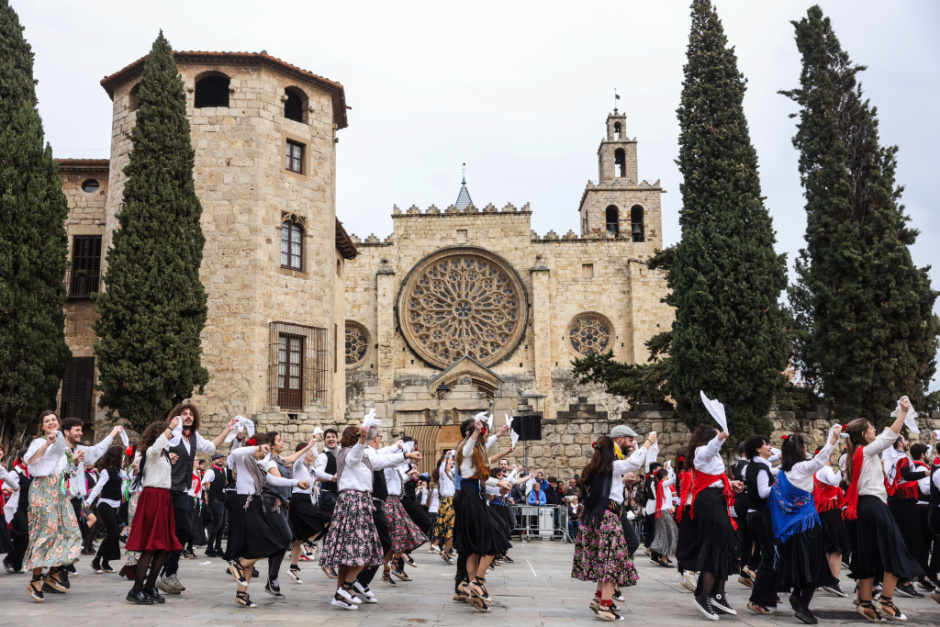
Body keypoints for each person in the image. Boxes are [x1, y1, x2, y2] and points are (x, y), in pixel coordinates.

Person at [24, 412, 123, 602]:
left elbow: (63, 472)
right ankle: (35, 580)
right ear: (42, 426)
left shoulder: (62, 447)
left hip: (60, 493)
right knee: (45, 535)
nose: (51, 422)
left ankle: (53, 572)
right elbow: (30, 461)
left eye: (54, 420)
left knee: (72, 534)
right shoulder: (38, 442)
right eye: (47, 421)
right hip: (42, 490)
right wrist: (48, 442)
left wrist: (73, 462)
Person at [318, 425, 419, 610]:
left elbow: (383, 460)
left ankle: (340, 594)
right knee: (366, 549)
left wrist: (405, 456)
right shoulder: (348, 453)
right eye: (360, 437)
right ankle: (347, 588)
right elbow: (355, 456)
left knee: (348, 554)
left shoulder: (365, 456)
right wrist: (362, 441)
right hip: (354, 503)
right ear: (355, 439)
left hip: (358, 503)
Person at [843, 397, 924, 621]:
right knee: (895, 551)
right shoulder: (866, 452)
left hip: (861, 508)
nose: (874, 429)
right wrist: (904, 412)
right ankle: (886, 601)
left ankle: (866, 602)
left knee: (867, 554)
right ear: (862, 435)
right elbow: (889, 437)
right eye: (871, 428)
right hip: (874, 505)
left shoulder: (849, 456)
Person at [572, 432, 653, 621]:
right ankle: (605, 607)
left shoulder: (592, 470)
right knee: (611, 563)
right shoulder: (612, 466)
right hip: (608, 518)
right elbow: (633, 463)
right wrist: (648, 442)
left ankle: (598, 599)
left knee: (604, 561)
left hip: (594, 520)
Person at [158, 403, 235, 597]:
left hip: (183, 491)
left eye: (191, 414)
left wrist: (227, 429)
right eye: (184, 414)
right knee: (180, 529)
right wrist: (167, 455)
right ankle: (166, 573)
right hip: (168, 489)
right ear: (176, 417)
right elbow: (154, 451)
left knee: (180, 530)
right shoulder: (170, 435)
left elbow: (210, 446)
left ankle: (167, 572)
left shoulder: (193, 438)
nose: (188, 416)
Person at [226, 433, 308, 608]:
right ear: (257, 446)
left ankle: (241, 594)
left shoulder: (259, 465)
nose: (265, 454)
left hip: (255, 504)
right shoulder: (243, 459)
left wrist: (296, 482)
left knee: (252, 550)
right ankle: (238, 565)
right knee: (263, 544)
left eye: (267, 451)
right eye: (264, 449)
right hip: (244, 504)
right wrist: (256, 448)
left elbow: (272, 479)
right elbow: (234, 453)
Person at [769, 428, 841, 624]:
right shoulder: (802, 468)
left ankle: (797, 595)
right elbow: (821, 458)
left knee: (801, 563)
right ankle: (803, 607)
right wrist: (832, 439)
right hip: (808, 526)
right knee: (814, 563)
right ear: (800, 450)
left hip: (791, 529)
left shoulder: (781, 473)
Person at [677, 424, 744, 620]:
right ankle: (704, 595)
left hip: (716, 497)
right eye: (715, 437)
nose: (720, 442)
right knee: (715, 543)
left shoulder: (711, 456)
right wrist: (719, 438)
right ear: (708, 438)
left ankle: (718, 594)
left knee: (724, 543)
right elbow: (709, 449)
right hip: (708, 501)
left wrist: (731, 483)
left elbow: (712, 477)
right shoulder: (702, 451)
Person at [453, 417, 513, 612]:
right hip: (470, 499)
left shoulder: (476, 453)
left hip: (472, 497)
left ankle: (472, 589)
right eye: (481, 433)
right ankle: (477, 581)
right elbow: (469, 450)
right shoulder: (466, 449)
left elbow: (482, 476)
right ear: (472, 434)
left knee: (472, 548)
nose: (484, 436)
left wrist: (499, 483)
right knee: (495, 537)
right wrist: (476, 433)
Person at [124, 418, 184, 605]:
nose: (171, 437)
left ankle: (150, 586)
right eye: (167, 435)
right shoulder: (150, 451)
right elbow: (156, 449)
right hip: (153, 498)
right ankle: (136, 589)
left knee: (163, 547)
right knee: (151, 546)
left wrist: (169, 461)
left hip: (163, 498)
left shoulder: (162, 455)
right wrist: (171, 427)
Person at [885, 432, 929, 599]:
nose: (907, 441)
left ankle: (900, 580)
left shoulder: (894, 458)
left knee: (903, 542)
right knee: (909, 543)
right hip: (904, 506)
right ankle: (904, 582)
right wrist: (926, 473)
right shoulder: (902, 458)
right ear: (899, 444)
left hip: (900, 505)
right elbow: (907, 475)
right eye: (904, 439)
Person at [287, 439, 331, 585]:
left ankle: (293, 568)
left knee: (298, 537)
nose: (313, 453)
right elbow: (298, 458)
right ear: (305, 452)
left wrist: (334, 477)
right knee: (326, 517)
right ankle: (308, 543)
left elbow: (321, 474)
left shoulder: (310, 468)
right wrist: (307, 446)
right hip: (299, 501)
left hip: (306, 501)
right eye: (311, 451)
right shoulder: (298, 465)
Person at [742, 434, 778, 615]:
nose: (770, 447)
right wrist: (780, 485)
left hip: (754, 515)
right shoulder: (762, 468)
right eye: (767, 444)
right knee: (769, 557)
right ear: (758, 448)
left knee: (767, 555)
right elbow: (764, 492)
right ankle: (756, 600)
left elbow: (776, 456)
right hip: (761, 516)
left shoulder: (754, 465)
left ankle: (766, 596)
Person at [84, 445, 127, 574]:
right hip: (105, 504)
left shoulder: (120, 472)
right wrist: (89, 501)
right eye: (121, 456)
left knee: (112, 535)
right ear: (116, 457)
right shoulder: (105, 472)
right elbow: (98, 488)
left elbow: (128, 479)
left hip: (115, 505)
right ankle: (96, 560)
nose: (123, 459)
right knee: (114, 533)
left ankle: (105, 562)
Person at [814, 444, 849, 597]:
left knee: (829, 547)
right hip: (831, 512)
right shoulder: (825, 469)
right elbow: (835, 481)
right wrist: (845, 468)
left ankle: (826, 578)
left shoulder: (816, 470)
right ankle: (833, 581)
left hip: (824, 512)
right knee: (836, 547)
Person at [2, 447, 30, 574]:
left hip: (28, 508)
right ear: (22, 458)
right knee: (23, 533)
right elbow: (4, 485)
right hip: (16, 507)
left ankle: (16, 563)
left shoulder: (32, 473)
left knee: (26, 536)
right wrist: (10, 489)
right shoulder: (15, 472)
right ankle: (10, 560)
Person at [650, 465, 678, 567]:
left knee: (665, 535)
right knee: (668, 535)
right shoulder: (663, 484)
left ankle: (662, 556)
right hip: (664, 512)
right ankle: (663, 558)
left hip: (663, 512)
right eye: (667, 475)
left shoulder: (661, 484)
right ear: (665, 476)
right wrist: (675, 470)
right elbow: (673, 479)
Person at [201, 453, 227, 557]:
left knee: (222, 525)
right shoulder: (211, 471)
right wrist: (207, 486)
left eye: (221, 458)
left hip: (223, 500)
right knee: (217, 524)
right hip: (215, 501)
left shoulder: (223, 471)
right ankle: (210, 548)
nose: (221, 459)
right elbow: (203, 485)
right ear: (213, 461)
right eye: (218, 458)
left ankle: (218, 547)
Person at [435, 451, 456, 564]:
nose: (451, 463)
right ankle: (446, 551)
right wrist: (446, 457)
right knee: (450, 528)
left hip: (452, 503)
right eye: (449, 463)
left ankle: (446, 550)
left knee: (451, 529)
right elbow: (442, 467)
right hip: (447, 502)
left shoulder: (451, 476)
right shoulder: (443, 476)